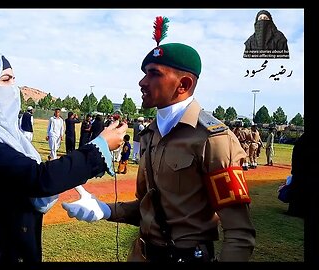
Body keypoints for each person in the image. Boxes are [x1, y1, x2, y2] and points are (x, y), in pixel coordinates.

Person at [62, 16, 256, 262]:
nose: (142, 82)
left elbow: (240, 233)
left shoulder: (213, 140)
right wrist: (105, 209)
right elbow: (149, 206)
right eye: (144, 73)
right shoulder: (150, 134)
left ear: (183, 84)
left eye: (153, 74)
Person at [0, 50, 128, 263]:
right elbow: (37, 178)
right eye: (5, 79)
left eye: (14, 79)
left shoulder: (1, 135)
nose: (13, 88)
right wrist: (99, 148)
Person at [286, 132, 306, 218]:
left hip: (298, 170)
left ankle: (293, 210)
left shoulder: (300, 141)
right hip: (302, 171)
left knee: (296, 190)